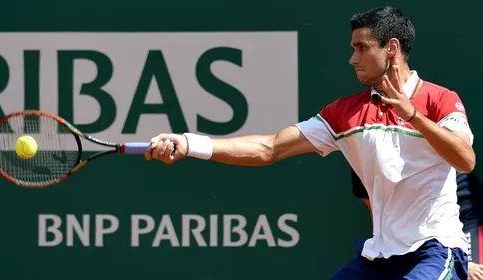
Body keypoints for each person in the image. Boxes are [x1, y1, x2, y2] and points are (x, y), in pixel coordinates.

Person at [146, 6, 476, 279]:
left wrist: (413, 115)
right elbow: (270, 148)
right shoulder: (344, 112)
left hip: (435, 249)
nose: (352, 58)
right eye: (352, 49)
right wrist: (190, 143)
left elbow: (465, 160)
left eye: (362, 47)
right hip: (380, 255)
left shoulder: (439, 99)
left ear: (391, 48)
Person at [351, 169, 483, 280]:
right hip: (421, 229)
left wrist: (460, 264)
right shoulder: (358, 154)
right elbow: (381, 221)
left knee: (473, 274)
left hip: (464, 212)